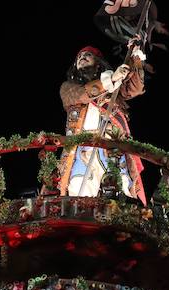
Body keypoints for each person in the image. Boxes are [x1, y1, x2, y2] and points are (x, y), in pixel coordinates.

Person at [58, 45, 147, 203]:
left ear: (98, 63)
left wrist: (136, 58)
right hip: (83, 149)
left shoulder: (115, 90)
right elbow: (81, 94)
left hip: (114, 148)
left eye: (88, 55)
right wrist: (110, 80)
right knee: (79, 188)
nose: (82, 57)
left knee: (122, 188)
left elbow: (134, 88)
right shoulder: (68, 88)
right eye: (79, 57)